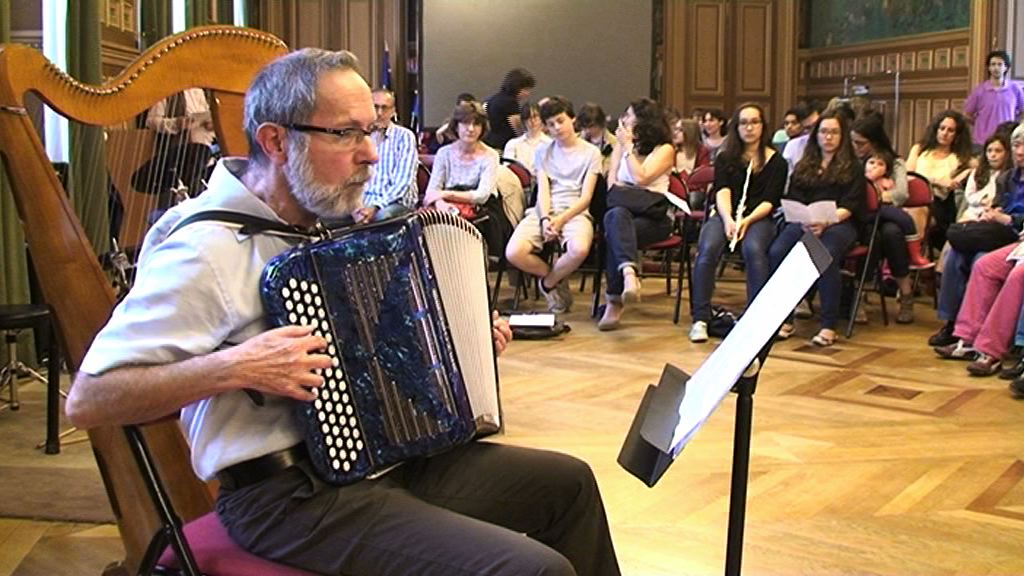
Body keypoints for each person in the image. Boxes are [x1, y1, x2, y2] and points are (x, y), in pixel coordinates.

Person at [66, 48, 620, 576]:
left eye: (370, 131)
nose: (371, 153)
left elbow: (370, 353)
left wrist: (456, 341)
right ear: (276, 141)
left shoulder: (321, 224)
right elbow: (90, 399)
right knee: (534, 569)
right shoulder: (204, 249)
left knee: (569, 485)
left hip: (383, 459)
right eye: (346, 133)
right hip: (288, 497)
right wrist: (233, 367)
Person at [689, 104, 786, 342]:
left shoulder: (777, 162)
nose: (749, 128)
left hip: (758, 217)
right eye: (743, 123)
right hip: (726, 214)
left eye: (754, 122)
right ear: (736, 127)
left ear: (763, 126)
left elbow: (770, 201)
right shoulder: (725, 157)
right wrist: (728, 219)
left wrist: (747, 220)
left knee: (754, 249)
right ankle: (700, 318)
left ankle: (756, 319)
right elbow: (722, 190)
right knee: (708, 248)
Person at [769, 110, 866, 347]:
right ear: (816, 135)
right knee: (777, 251)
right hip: (805, 221)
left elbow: (851, 204)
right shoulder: (805, 164)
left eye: (834, 132)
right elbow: (794, 196)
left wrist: (826, 221)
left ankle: (828, 325)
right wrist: (804, 219)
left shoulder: (853, 167)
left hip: (839, 223)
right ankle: (784, 318)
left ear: (842, 136)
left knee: (823, 254)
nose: (828, 137)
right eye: (823, 132)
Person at [930, 123, 1024, 348]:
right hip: (998, 232)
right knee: (955, 255)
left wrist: (1009, 219)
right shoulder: (1007, 178)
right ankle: (953, 323)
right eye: (1016, 145)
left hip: (1014, 235)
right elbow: (999, 204)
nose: (1020, 151)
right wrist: (994, 212)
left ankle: (979, 333)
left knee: (981, 260)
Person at [504, 96, 601, 314]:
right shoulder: (543, 152)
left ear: (572, 119)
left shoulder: (591, 153)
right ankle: (556, 279)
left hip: (575, 211)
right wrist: (545, 219)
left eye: (560, 121)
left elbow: (586, 197)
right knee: (514, 252)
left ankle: (548, 283)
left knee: (579, 249)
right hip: (544, 209)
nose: (557, 128)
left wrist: (561, 220)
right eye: (551, 124)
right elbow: (543, 191)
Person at [598, 98, 675, 331]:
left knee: (615, 230)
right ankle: (629, 273)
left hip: (654, 218)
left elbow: (641, 178)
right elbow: (612, 184)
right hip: (624, 214)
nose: (623, 120)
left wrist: (629, 148)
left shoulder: (665, 149)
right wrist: (624, 148)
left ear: (644, 120)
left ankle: (614, 302)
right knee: (616, 217)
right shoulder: (620, 146)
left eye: (629, 115)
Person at [851, 112, 929, 324]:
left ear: (874, 141)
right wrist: (876, 198)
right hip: (863, 218)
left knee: (892, 233)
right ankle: (860, 294)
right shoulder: (853, 161)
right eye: (854, 142)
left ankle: (905, 295)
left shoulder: (894, 163)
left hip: (888, 217)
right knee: (876, 235)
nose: (856, 147)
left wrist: (873, 197)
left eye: (861, 143)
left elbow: (901, 194)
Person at [424, 101, 511, 259]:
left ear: (482, 128)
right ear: (456, 126)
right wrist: (441, 203)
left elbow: (481, 196)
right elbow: (432, 191)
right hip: (447, 205)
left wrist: (446, 194)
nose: (470, 129)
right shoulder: (444, 153)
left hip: (481, 209)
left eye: (476, 124)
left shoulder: (490, 155)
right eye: (465, 123)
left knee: (465, 230)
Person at [906, 110, 976, 248]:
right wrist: (936, 181)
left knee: (917, 211)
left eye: (950, 130)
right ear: (936, 129)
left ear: (957, 135)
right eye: (942, 128)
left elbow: (981, 167)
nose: (945, 133)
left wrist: (965, 173)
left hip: (938, 204)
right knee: (909, 211)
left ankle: (915, 253)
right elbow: (909, 174)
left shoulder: (960, 157)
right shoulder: (920, 149)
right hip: (912, 197)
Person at [354, 88, 418, 223]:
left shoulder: (405, 136)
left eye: (384, 108)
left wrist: (375, 206)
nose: (379, 113)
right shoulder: (358, 136)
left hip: (395, 201)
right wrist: (355, 206)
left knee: (382, 216)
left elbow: (402, 183)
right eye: (375, 107)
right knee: (326, 216)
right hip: (362, 201)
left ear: (393, 111)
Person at [964, 50, 1024, 149]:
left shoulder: (1015, 89)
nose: (996, 68)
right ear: (989, 68)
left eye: (1000, 64)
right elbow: (967, 114)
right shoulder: (979, 90)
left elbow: (1022, 111)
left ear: (1006, 67)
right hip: (982, 141)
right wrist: (980, 124)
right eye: (993, 64)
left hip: (1007, 139)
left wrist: (1015, 124)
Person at [483, 68, 536, 150]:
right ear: (517, 88)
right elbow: (518, 128)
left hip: (491, 142)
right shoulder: (510, 103)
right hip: (504, 145)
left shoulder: (494, 98)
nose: (528, 93)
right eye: (526, 90)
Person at [502, 101, 551, 175]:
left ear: (541, 119)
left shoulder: (550, 143)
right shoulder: (513, 144)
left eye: (535, 117)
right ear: (524, 121)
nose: (532, 121)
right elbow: (507, 168)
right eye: (528, 118)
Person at [576, 102, 617, 175]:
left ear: (600, 123)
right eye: (584, 127)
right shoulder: (575, 140)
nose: (587, 130)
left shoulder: (615, 144)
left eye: (591, 126)